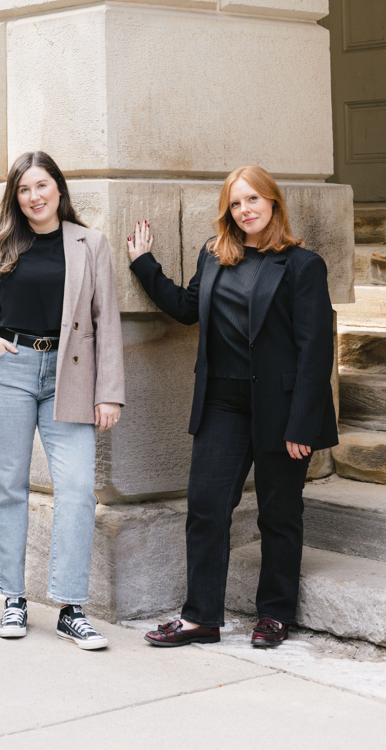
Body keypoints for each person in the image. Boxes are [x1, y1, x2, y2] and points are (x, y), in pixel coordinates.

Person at [130, 165, 337, 648]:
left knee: (278, 513)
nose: (245, 210)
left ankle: (274, 613)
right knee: (206, 507)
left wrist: (303, 422)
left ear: (273, 204)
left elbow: (315, 351)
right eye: (236, 203)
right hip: (222, 402)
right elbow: (186, 308)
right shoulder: (215, 254)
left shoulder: (303, 265)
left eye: (253, 200)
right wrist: (144, 263)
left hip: (281, 408)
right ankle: (201, 617)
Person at [0, 151, 124, 648]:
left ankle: (71, 607)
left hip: (69, 376)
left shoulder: (90, 243)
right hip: (7, 369)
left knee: (75, 489)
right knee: (7, 485)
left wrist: (109, 392)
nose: (33, 197)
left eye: (41, 186)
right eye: (24, 189)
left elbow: (106, 321)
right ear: (16, 196)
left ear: (58, 188)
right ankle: (13, 598)